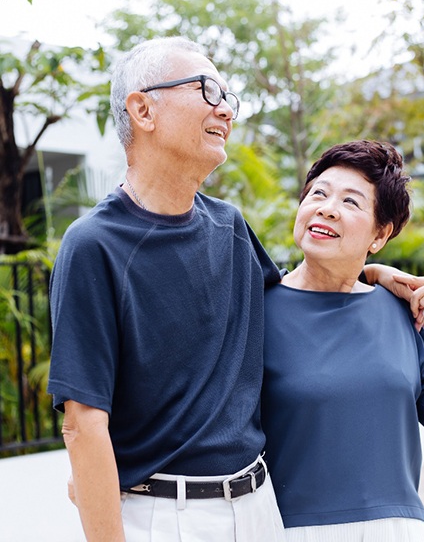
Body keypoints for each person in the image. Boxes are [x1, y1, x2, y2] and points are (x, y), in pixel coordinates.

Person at [47, 36, 286, 542]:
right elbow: (83, 425)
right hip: (165, 517)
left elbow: (294, 307)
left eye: (228, 97)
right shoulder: (94, 245)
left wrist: (373, 275)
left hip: (259, 507)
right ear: (143, 110)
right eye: (207, 89)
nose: (225, 109)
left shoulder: (231, 226)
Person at [261, 139, 424, 542]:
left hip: (397, 529)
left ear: (380, 235)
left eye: (351, 202)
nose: (327, 208)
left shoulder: (397, 309)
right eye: (318, 193)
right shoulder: (258, 308)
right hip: (292, 529)